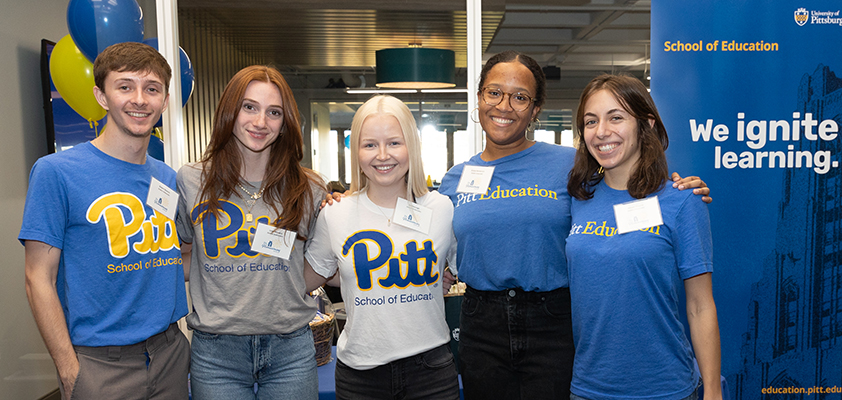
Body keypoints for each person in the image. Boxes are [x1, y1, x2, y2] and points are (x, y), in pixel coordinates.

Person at [437, 50, 711, 399]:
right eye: (493, 92)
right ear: (478, 98)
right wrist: (346, 202)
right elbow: (432, 242)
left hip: (553, 322)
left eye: (520, 97)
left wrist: (678, 190)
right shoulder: (455, 179)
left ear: (535, 110)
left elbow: (626, 184)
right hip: (481, 323)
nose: (504, 105)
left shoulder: (573, 166)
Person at [20, 42, 189, 399]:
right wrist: (69, 370)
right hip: (100, 365)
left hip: (170, 355)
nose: (140, 99)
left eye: (152, 89)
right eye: (125, 86)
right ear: (101, 96)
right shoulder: (56, 172)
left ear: (165, 100)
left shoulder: (168, 179)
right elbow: (38, 278)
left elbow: (174, 259)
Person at [565, 74, 721, 400]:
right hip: (589, 388)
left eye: (616, 117)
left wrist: (713, 390)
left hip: (666, 389)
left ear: (646, 124)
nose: (602, 131)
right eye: (591, 121)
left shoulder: (682, 201)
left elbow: (700, 305)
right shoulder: (577, 198)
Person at [176, 65, 326, 399]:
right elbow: (185, 255)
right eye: (249, 107)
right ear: (230, 111)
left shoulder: (309, 188)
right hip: (217, 353)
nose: (260, 122)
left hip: (290, 348)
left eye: (274, 112)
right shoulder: (190, 181)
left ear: (285, 122)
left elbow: (322, 263)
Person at [304, 95, 460, 399]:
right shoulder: (335, 213)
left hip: (431, 372)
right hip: (361, 376)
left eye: (394, 143)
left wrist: (442, 275)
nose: (383, 155)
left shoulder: (441, 209)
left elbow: (461, 268)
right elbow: (305, 279)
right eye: (370, 144)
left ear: (411, 147)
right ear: (357, 152)